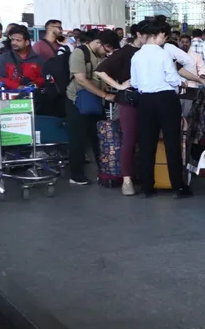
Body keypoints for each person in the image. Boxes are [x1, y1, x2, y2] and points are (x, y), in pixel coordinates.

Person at [129, 18, 196, 198]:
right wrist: (181, 82)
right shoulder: (163, 54)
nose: (164, 40)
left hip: (145, 101)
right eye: (163, 36)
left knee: (146, 144)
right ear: (157, 36)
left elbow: (134, 82)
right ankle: (178, 186)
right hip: (166, 99)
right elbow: (173, 79)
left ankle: (147, 186)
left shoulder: (136, 56)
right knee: (172, 143)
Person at [64, 30, 119, 185]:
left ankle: (105, 172)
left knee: (99, 138)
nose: (107, 53)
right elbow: (80, 79)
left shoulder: (101, 57)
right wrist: (104, 95)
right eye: (106, 49)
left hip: (96, 102)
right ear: (98, 43)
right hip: (77, 101)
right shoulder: (79, 53)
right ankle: (76, 174)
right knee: (78, 139)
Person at [96, 23, 145, 196]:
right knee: (129, 140)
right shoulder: (124, 52)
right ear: (139, 34)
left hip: (147, 99)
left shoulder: (151, 51)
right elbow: (100, 71)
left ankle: (139, 175)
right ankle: (127, 179)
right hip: (128, 100)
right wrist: (119, 86)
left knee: (144, 140)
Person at [0, 24, 45, 89]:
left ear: (27, 42)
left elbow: (43, 78)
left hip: (32, 96)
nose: (14, 43)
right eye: (13, 40)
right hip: (9, 97)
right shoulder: (3, 58)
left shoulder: (38, 59)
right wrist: (18, 87)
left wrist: (34, 84)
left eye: (18, 40)